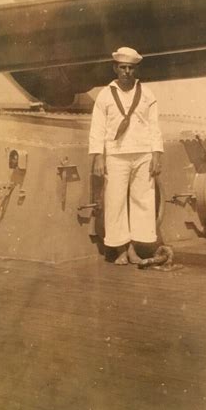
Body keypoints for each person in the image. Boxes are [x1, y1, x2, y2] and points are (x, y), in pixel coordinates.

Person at [89, 47, 163, 265]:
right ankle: (120, 249)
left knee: (143, 201)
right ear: (115, 68)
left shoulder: (147, 94)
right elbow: (97, 129)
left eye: (131, 68)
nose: (127, 72)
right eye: (123, 67)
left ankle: (134, 249)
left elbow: (154, 127)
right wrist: (99, 157)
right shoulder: (105, 95)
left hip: (143, 154)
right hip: (116, 155)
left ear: (136, 70)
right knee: (115, 202)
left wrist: (156, 154)